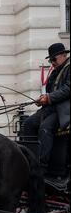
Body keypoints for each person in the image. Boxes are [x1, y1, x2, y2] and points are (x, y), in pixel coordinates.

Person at [23, 43, 70, 174]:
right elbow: (50, 91)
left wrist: (48, 98)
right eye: (50, 60)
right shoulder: (55, 72)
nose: (52, 62)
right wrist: (42, 100)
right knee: (28, 123)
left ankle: (41, 166)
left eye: (54, 59)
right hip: (51, 108)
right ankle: (30, 160)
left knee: (45, 128)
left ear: (64, 55)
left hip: (64, 110)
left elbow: (68, 89)